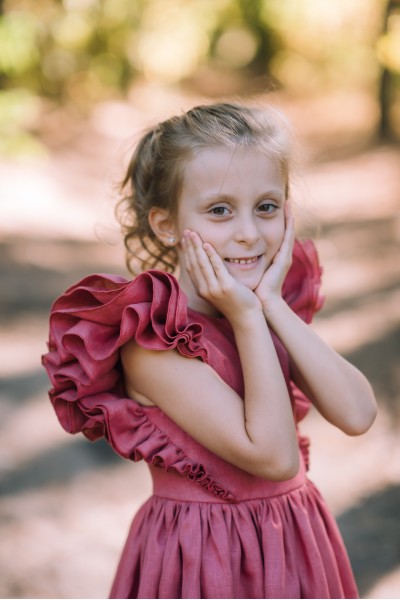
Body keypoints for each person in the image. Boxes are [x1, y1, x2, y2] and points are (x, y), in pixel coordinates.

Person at [42, 102, 377, 599]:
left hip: (295, 540)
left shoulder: (263, 306)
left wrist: (270, 307)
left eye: (266, 207)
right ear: (167, 225)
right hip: (205, 557)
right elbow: (275, 457)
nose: (248, 232)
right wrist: (247, 317)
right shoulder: (152, 341)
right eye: (219, 210)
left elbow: (357, 412)